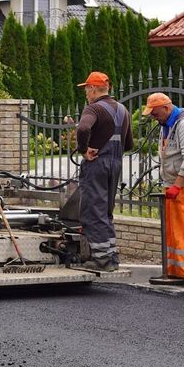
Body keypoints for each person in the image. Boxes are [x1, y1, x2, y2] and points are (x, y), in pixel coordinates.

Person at [142, 92, 184, 290]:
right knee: (172, 228)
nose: (154, 117)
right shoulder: (169, 124)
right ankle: (174, 270)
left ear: (166, 108)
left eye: (155, 113)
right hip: (174, 184)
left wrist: (178, 184)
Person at [74, 71, 132, 271]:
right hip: (115, 164)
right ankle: (111, 257)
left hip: (97, 164)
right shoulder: (123, 110)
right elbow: (129, 143)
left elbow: (83, 129)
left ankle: (102, 260)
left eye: (86, 90)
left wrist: (84, 150)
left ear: (92, 89)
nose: (85, 94)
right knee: (105, 212)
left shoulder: (94, 108)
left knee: (92, 211)